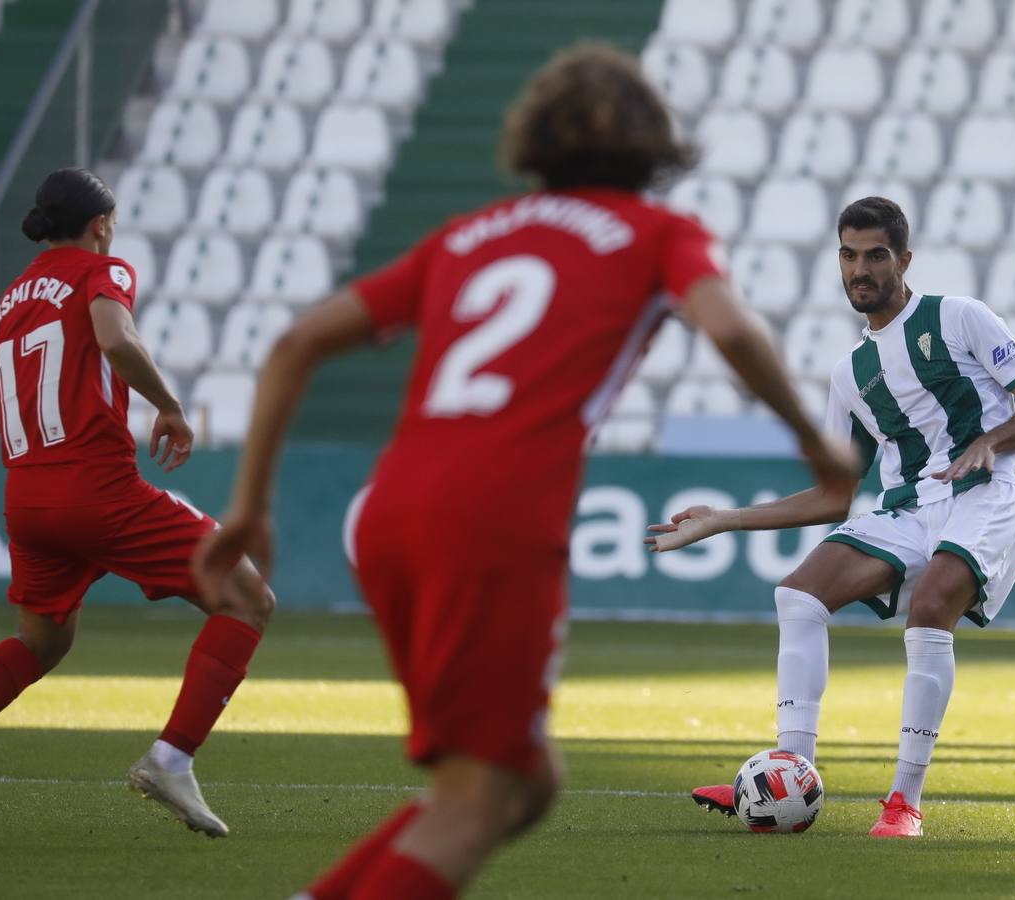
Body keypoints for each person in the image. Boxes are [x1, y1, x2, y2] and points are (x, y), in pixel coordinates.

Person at [194, 43, 855, 900]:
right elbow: (729, 329)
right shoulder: (659, 232)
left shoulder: (467, 235)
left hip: (390, 508)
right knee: (482, 797)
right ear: (652, 145)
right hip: (494, 518)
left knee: (520, 781)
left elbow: (293, 344)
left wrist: (249, 507)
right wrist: (810, 437)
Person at [650, 197, 1015, 838]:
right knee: (798, 594)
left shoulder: (958, 318)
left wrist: (993, 441)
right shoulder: (851, 373)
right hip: (910, 508)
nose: (861, 270)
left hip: (992, 490)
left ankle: (905, 801)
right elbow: (832, 496)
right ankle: (789, 772)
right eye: (849, 256)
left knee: (931, 607)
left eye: (876, 255)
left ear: (904, 260)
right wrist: (725, 519)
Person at [0, 168, 275, 838]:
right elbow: (116, 338)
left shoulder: (10, 300)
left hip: (26, 497)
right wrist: (171, 407)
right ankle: (170, 758)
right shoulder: (104, 270)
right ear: (100, 223)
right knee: (247, 597)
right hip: (94, 489)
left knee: (39, 642)